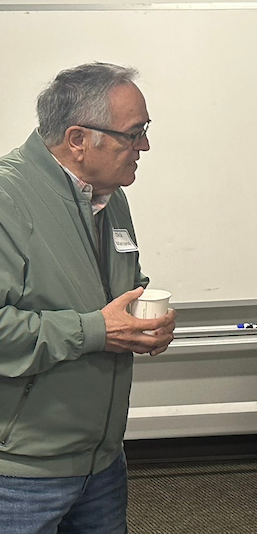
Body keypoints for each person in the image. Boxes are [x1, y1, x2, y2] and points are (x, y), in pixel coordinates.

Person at [0, 63, 175, 534]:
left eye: (146, 130)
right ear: (78, 139)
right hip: (19, 473)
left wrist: (142, 321)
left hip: (103, 460)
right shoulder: (6, 199)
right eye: (133, 134)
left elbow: (117, 288)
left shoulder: (109, 194)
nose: (144, 146)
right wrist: (97, 330)